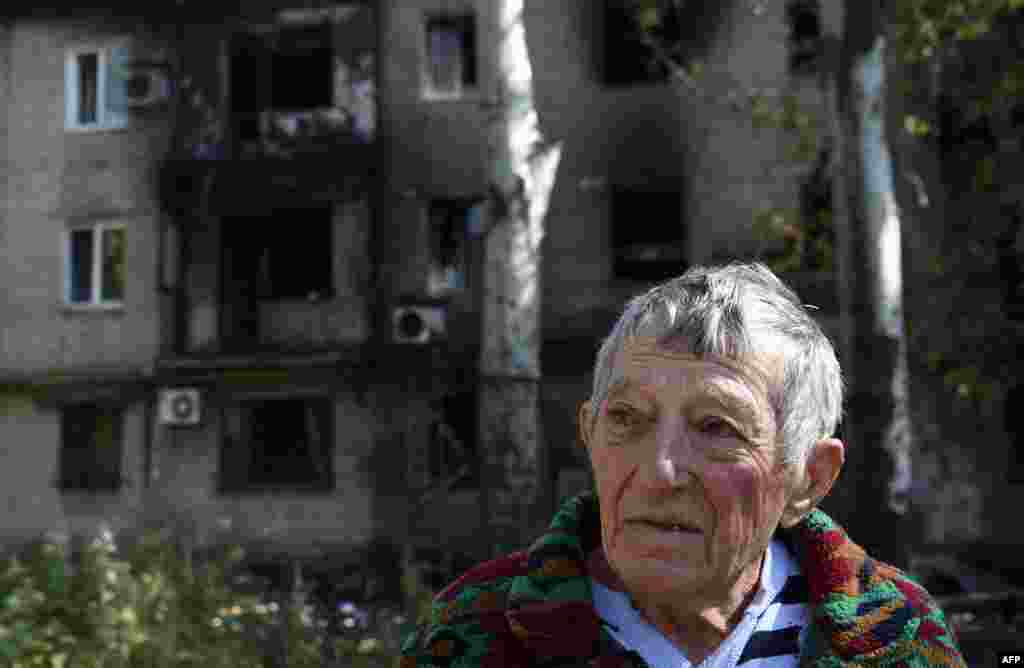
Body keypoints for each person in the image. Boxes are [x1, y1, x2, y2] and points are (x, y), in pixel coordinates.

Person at [400, 262, 966, 667]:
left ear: (807, 479)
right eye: (626, 419)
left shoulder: (898, 635)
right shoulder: (474, 633)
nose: (660, 471)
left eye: (717, 428)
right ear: (590, 438)